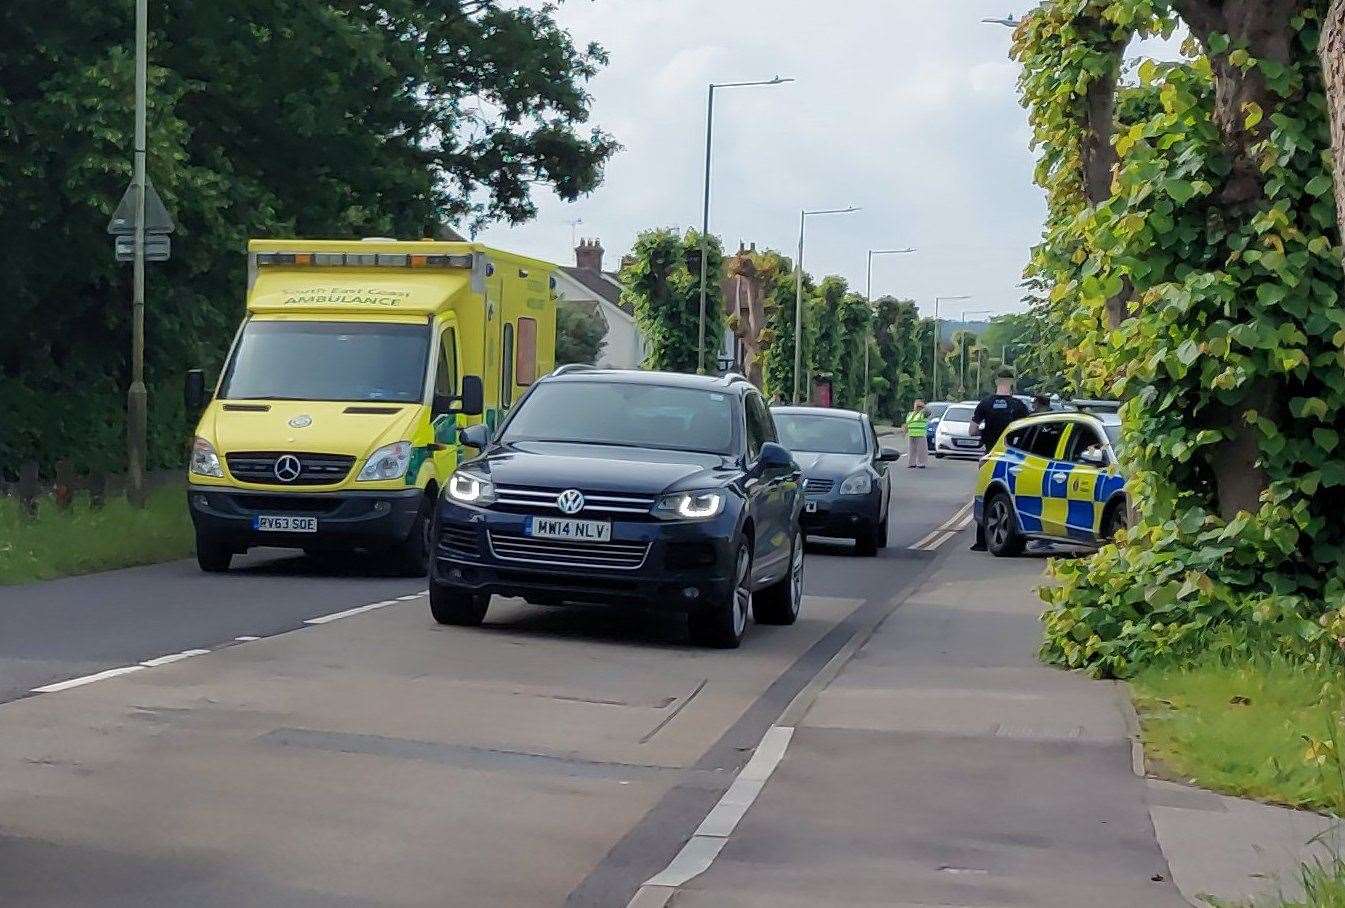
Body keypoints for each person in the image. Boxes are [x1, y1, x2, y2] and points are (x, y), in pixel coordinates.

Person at [970, 367, 1030, 551]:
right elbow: (1028, 432)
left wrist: (985, 432)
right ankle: (1015, 538)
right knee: (1012, 497)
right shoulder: (1019, 406)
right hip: (1013, 458)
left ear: (996, 382)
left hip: (990, 456)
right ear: (1012, 382)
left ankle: (982, 541)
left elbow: (972, 430)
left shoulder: (985, 404)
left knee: (985, 495)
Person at [904, 400, 929, 469]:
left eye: (919, 406)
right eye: (916, 405)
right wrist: (905, 431)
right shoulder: (910, 414)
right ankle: (912, 463)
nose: (918, 407)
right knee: (911, 450)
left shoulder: (923, 413)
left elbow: (929, 412)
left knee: (921, 450)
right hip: (911, 434)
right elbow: (908, 423)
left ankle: (921, 463)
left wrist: (924, 406)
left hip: (920, 434)